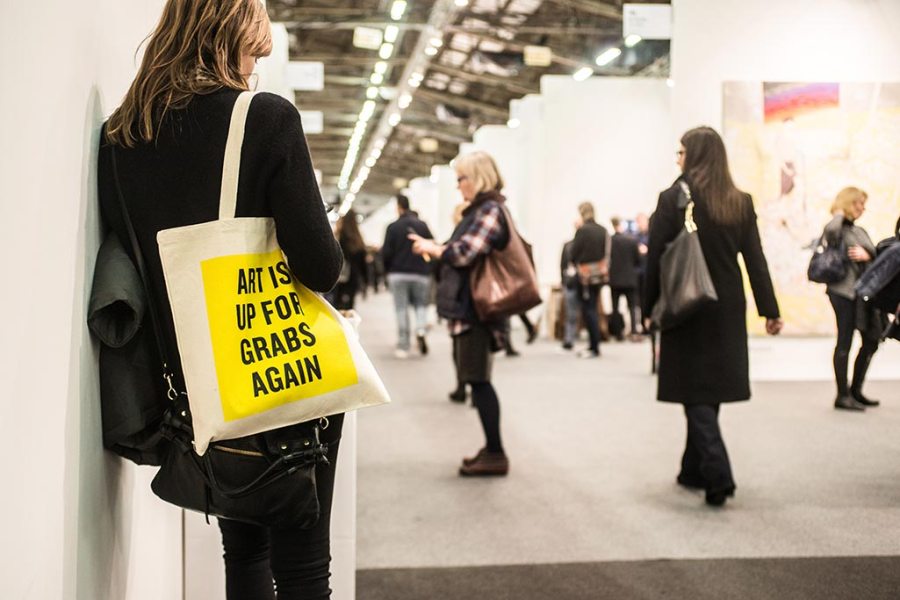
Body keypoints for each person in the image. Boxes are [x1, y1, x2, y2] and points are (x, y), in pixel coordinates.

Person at [98, 1, 345, 597]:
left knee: (245, 553)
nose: (254, 67)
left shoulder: (120, 138)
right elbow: (321, 267)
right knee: (304, 568)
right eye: (252, 51)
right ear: (229, 34)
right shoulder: (265, 118)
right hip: (278, 365)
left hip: (195, 380)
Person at [644, 126, 783, 508]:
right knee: (708, 388)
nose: (678, 159)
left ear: (694, 156)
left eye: (681, 152)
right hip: (726, 308)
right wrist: (769, 310)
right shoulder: (739, 201)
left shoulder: (673, 199)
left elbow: (655, 259)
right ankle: (692, 469)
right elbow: (755, 261)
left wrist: (648, 309)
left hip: (686, 306)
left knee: (694, 390)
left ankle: (717, 473)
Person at [409, 151, 512, 476]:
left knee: (479, 381)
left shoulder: (490, 210)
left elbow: (467, 252)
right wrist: (436, 248)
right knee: (477, 380)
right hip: (471, 308)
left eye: (461, 179)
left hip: (477, 310)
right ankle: (492, 448)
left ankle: (496, 452)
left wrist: (435, 249)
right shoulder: (481, 210)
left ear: (477, 178)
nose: (458, 186)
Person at [820, 187, 880, 411]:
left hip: (862, 293)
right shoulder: (836, 227)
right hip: (842, 293)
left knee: (871, 339)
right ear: (847, 203)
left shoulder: (858, 230)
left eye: (863, 204)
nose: (862, 208)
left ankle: (855, 390)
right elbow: (831, 232)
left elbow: (876, 255)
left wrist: (867, 254)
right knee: (844, 340)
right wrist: (839, 212)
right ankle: (842, 395)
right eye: (858, 203)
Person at [381, 194, 434, 358]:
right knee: (420, 305)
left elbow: (386, 253)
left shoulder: (393, 227)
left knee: (401, 308)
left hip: (398, 273)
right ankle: (420, 329)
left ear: (398, 206)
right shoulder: (422, 225)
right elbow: (431, 245)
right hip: (421, 273)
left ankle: (403, 345)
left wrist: (387, 271)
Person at [570, 201, 609, 358]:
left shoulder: (582, 231)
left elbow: (574, 252)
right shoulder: (603, 230)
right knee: (594, 307)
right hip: (599, 275)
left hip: (585, 275)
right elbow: (606, 252)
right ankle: (594, 343)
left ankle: (594, 346)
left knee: (589, 309)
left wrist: (577, 263)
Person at [608, 216, 642, 341]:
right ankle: (633, 331)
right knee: (632, 306)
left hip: (615, 279)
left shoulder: (610, 241)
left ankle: (618, 334)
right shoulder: (632, 240)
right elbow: (638, 260)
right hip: (629, 279)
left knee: (615, 308)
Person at [331, 208, 368, 311]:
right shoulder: (358, 238)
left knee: (337, 304)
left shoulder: (341, 236)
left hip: (340, 276)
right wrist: (365, 280)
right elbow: (363, 262)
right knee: (350, 305)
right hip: (354, 277)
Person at [560, 218, 582, 350]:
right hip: (571, 282)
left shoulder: (585, 246)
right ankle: (569, 338)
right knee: (570, 313)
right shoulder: (568, 245)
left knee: (584, 312)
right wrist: (563, 281)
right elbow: (562, 265)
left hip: (582, 282)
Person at [635, 212, 650, 333]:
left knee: (647, 298)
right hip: (639, 272)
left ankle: (648, 324)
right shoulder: (636, 237)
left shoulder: (651, 235)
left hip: (648, 271)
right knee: (639, 300)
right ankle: (643, 324)